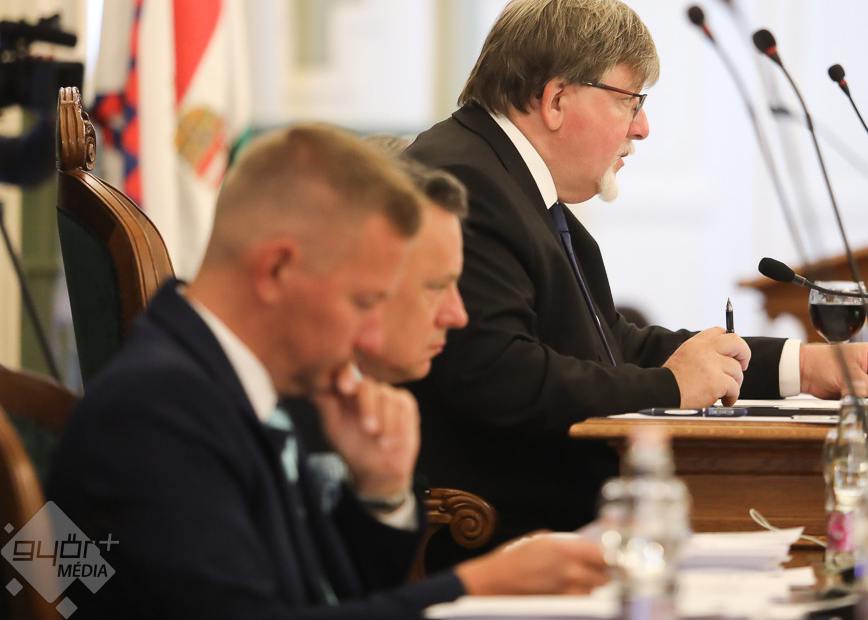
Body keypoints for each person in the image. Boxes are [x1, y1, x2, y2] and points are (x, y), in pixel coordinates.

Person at [404, 0, 868, 555]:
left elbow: (611, 347)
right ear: (556, 99)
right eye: (631, 101)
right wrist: (671, 386)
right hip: (507, 539)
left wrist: (801, 368)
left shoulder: (505, 180)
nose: (642, 128)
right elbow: (501, 376)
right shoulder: (467, 184)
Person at [47, 123, 607, 620]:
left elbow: (332, 595)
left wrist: (380, 495)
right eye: (364, 300)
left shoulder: (244, 388)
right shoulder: (155, 413)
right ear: (277, 270)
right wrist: (474, 589)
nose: (367, 332)